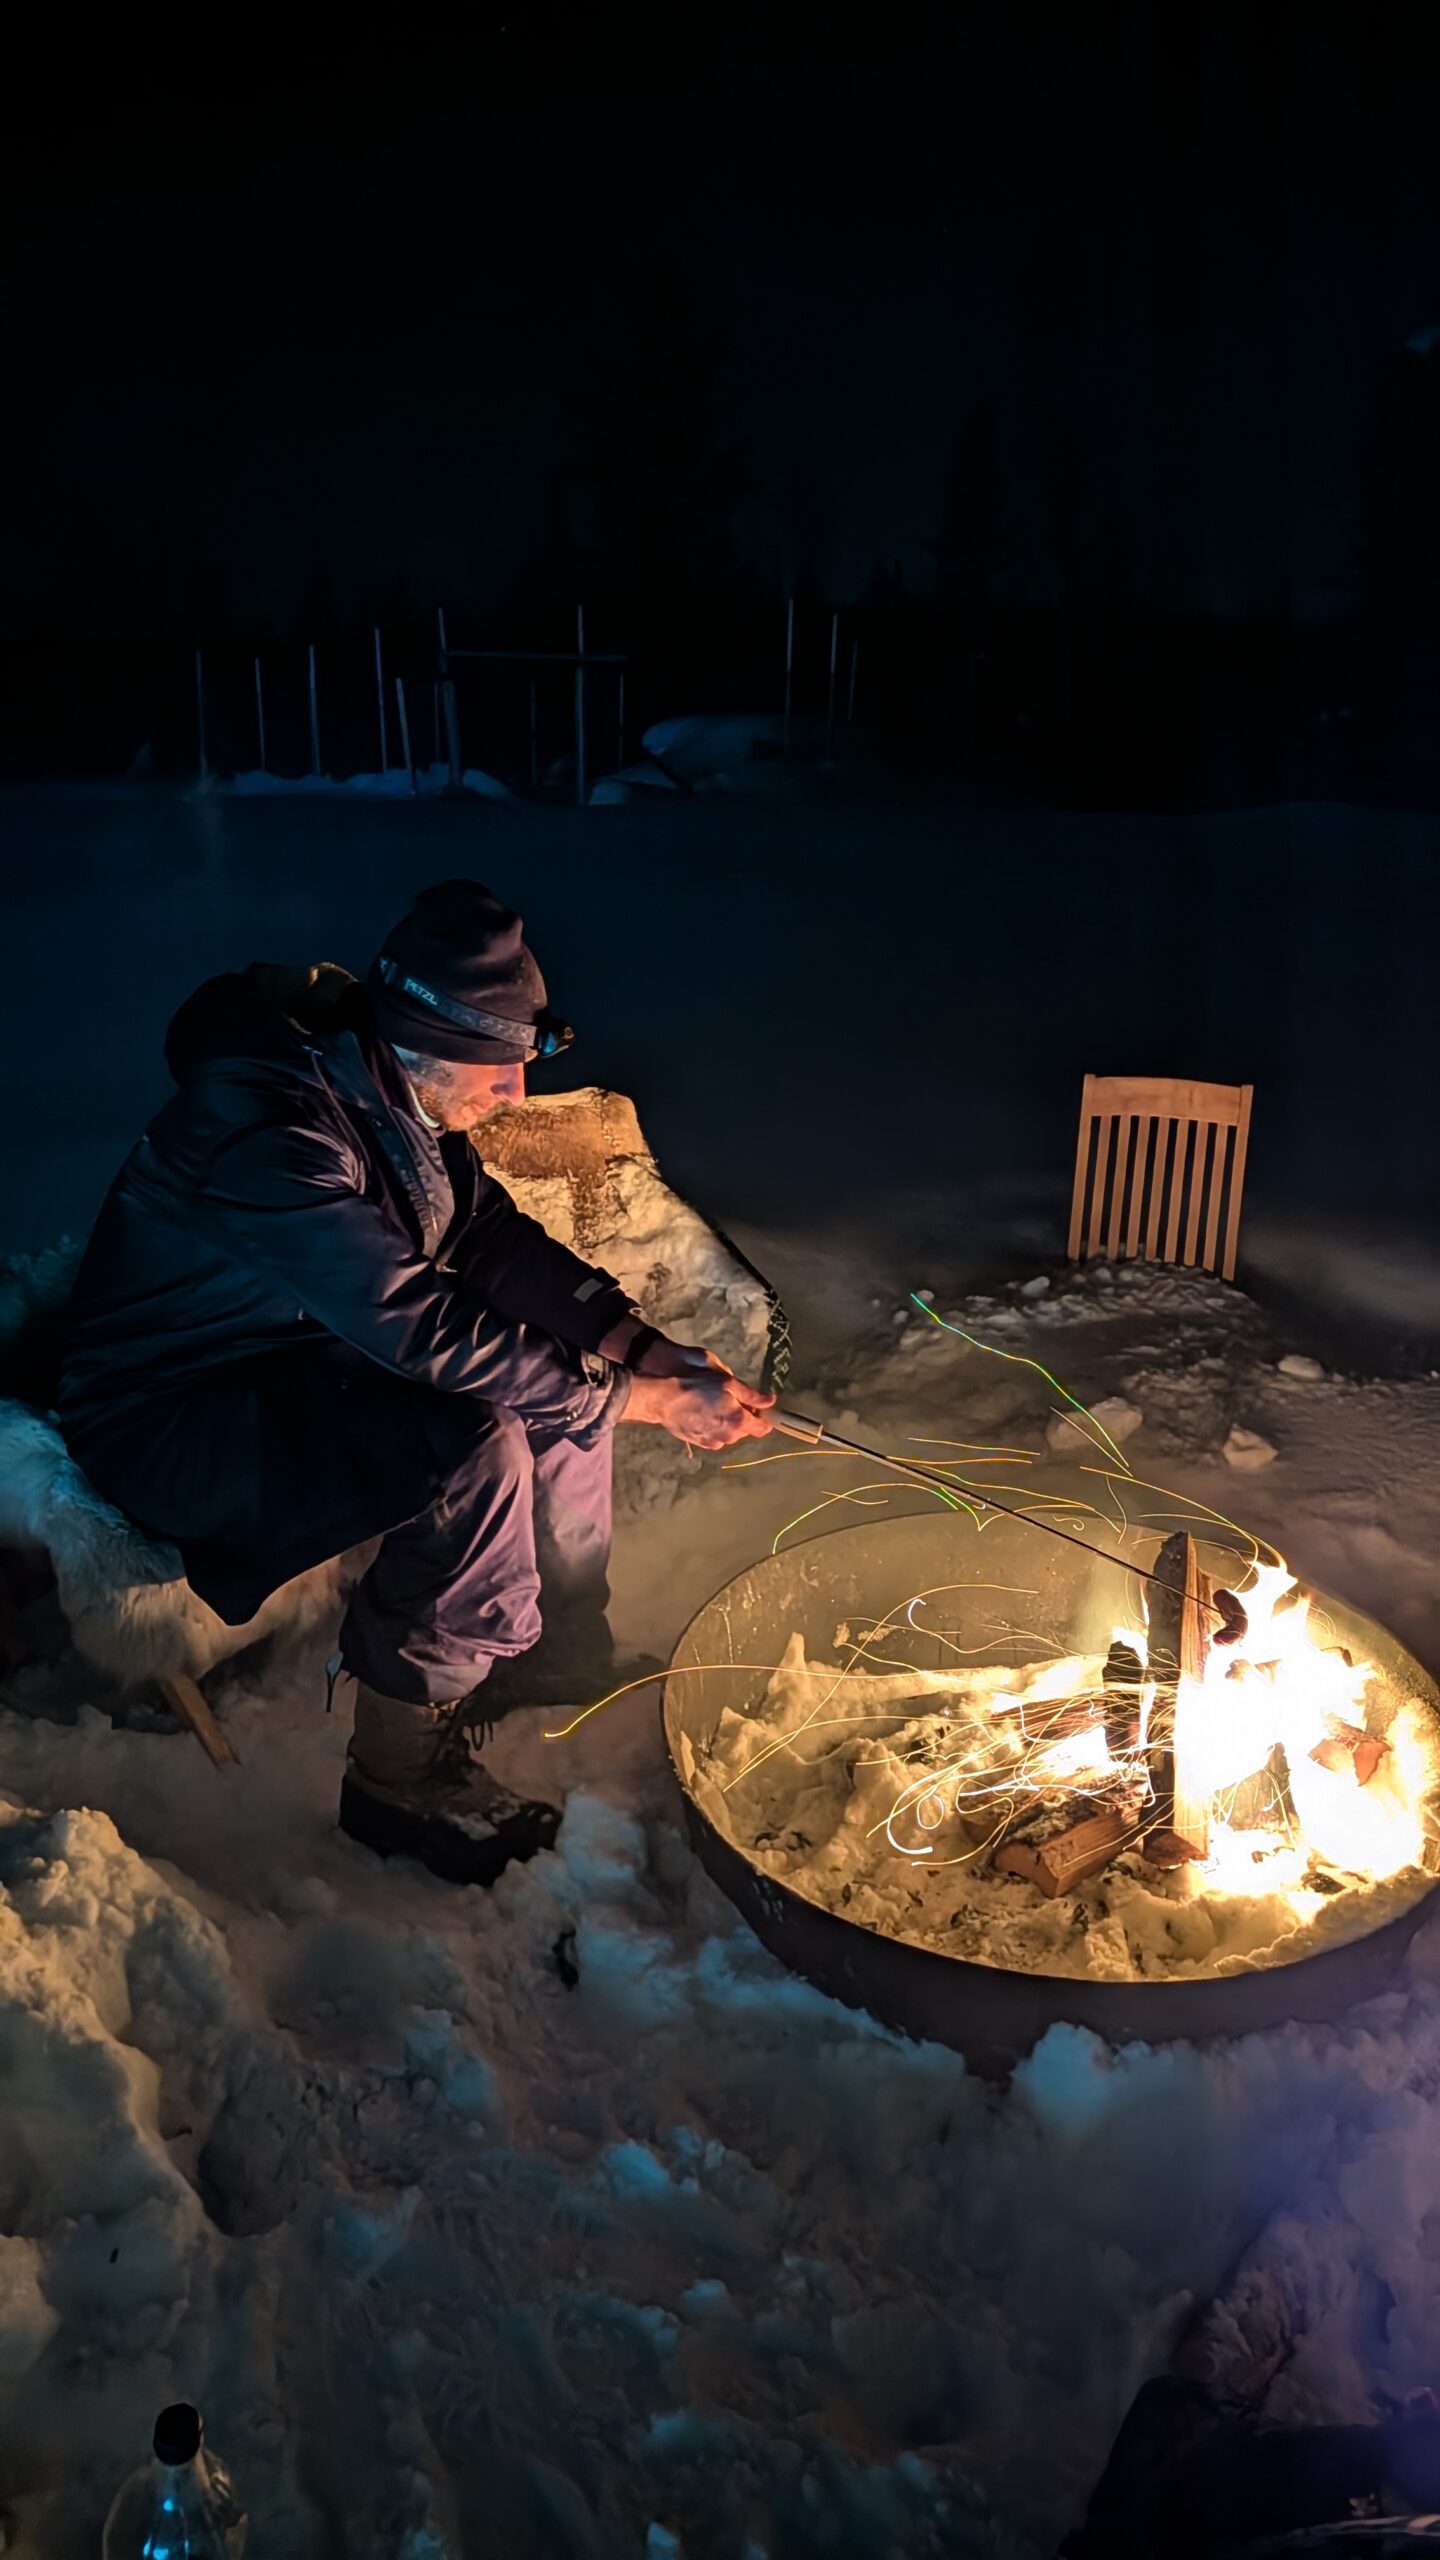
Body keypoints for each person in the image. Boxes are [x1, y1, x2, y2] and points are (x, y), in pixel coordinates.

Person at [57, 878, 774, 1883]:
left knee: (564, 1378)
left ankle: (551, 1647)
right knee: (470, 1444)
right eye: (497, 1069)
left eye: (524, 1062)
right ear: (417, 1037)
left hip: (288, 1348)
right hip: (173, 1412)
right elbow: (418, 1324)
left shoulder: (385, 1093)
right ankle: (396, 1779)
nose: (517, 1096)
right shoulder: (269, 1134)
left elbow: (481, 1236)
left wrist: (639, 1349)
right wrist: (643, 1401)